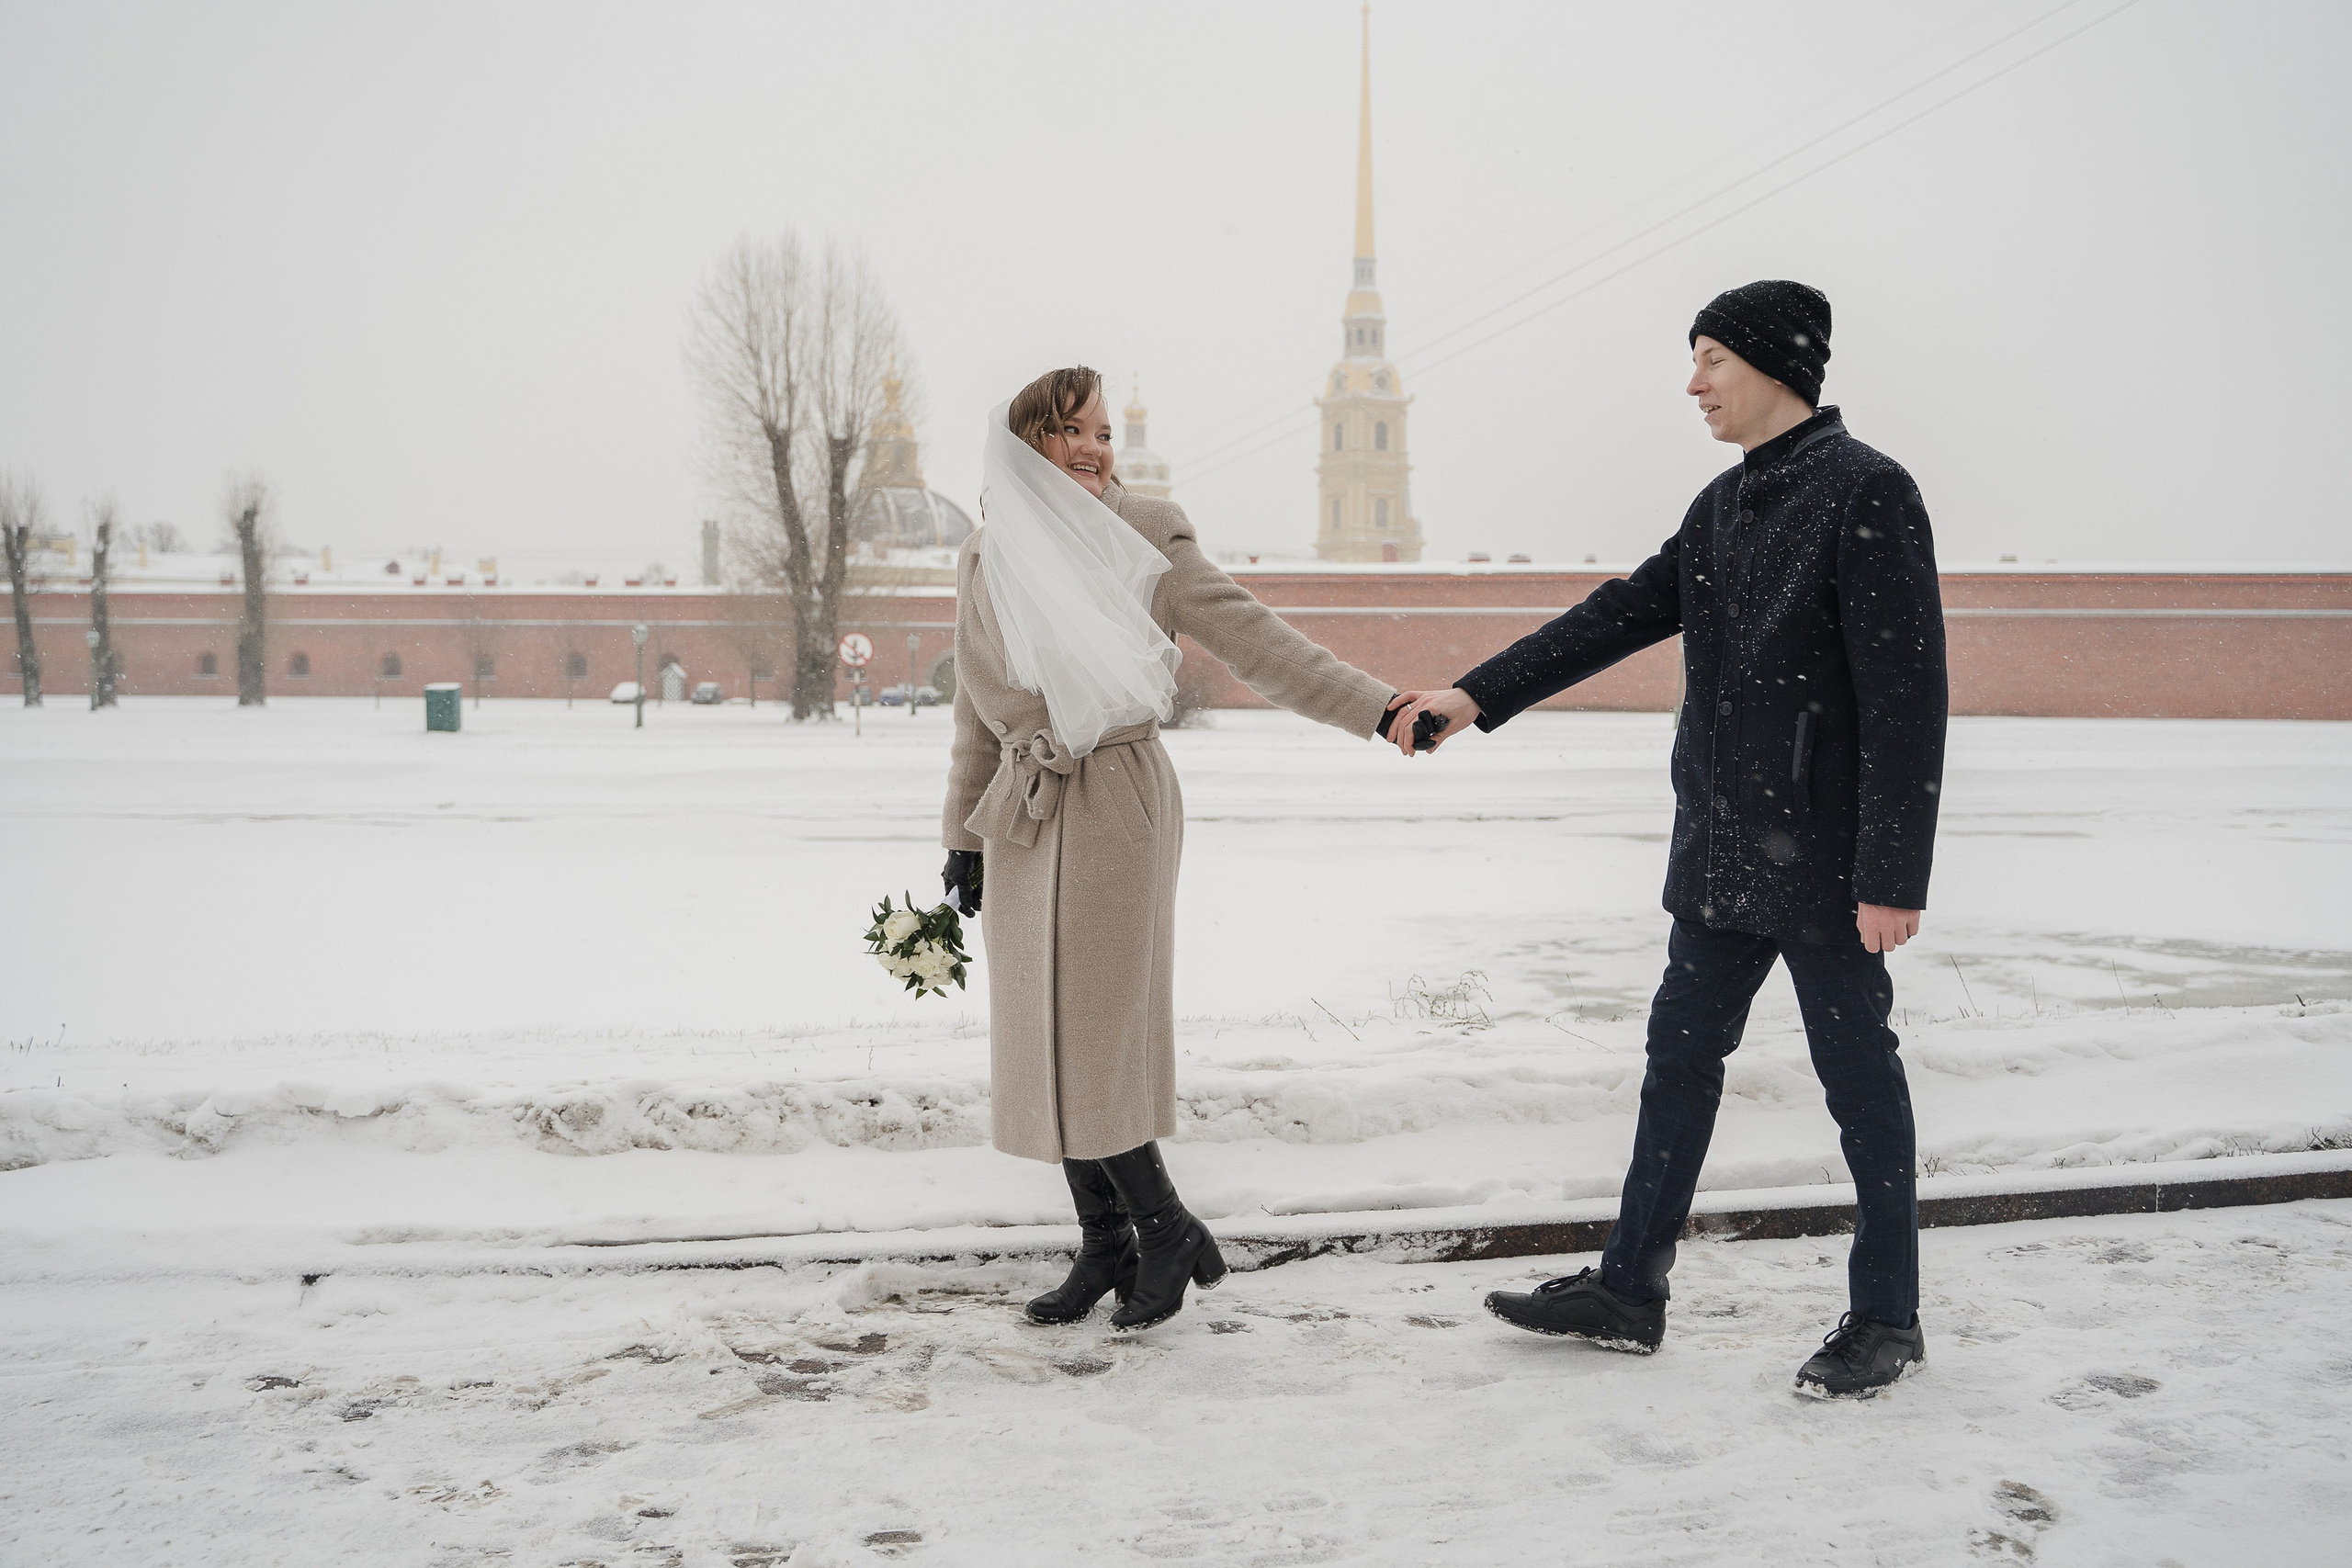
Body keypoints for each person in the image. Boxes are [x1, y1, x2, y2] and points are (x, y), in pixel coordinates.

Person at [1385, 281, 1948, 1396]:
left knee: (1858, 1085)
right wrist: (1473, 697)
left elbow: (1906, 698)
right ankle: (1628, 1289)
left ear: (1775, 366)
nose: (1692, 385)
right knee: (1675, 1065)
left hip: (1830, 866)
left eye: (1709, 362)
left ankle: (1888, 1316)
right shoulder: (1721, 506)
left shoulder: (1867, 492)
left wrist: (1891, 873)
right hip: (1720, 854)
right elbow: (1618, 613)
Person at [940, 367, 1412, 1332]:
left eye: (1103, 432)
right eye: (1068, 431)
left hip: (1116, 798)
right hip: (1024, 809)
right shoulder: (987, 555)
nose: (1092, 448)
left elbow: (1255, 639)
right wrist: (963, 840)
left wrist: (1381, 709)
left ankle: (1163, 1228)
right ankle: (1105, 1240)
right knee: (1044, 1030)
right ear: (1022, 445)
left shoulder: (1146, 532)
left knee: (1097, 1031)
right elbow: (974, 713)